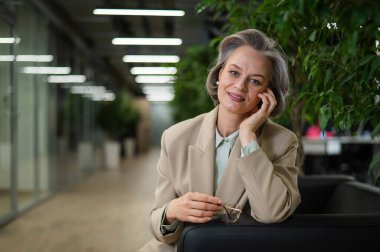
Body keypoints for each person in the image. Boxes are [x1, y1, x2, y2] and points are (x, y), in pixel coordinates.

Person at [138, 28, 301, 252]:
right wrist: (172, 211)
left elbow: (272, 212)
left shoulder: (282, 142)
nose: (240, 86)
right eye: (234, 73)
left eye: (254, 81)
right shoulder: (175, 137)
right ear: (218, 75)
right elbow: (158, 228)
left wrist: (248, 137)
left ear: (267, 93)